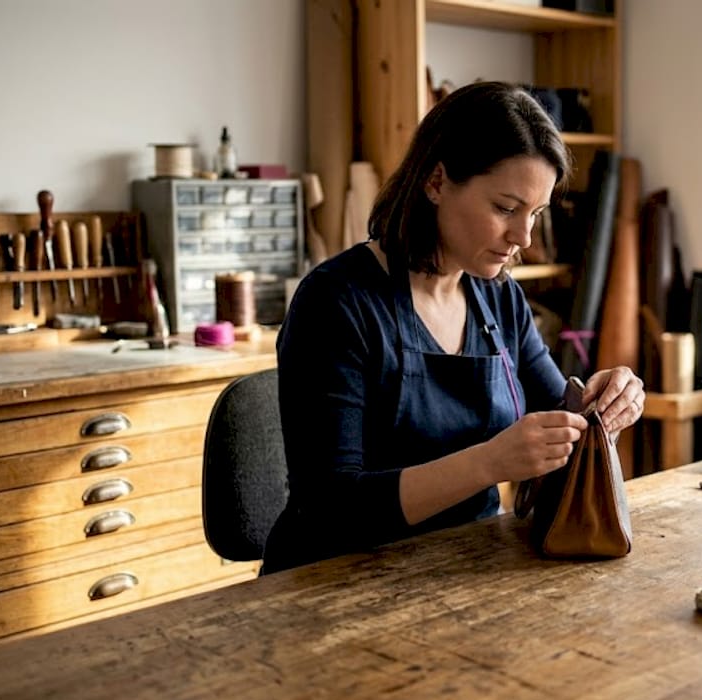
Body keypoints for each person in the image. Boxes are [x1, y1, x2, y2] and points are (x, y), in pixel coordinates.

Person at [261, 81, 645, 574]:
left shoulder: (500, 298)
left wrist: (604, 404)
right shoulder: (337, 303)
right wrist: (489, 463)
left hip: (464, 562)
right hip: (335, 579)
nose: (523, 237)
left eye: (536, 214)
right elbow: (331, 507)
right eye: (505, 209)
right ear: (437, 182)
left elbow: (556, 416)